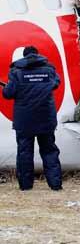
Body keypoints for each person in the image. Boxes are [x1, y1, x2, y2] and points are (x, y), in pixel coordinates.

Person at [2, 46, 62, 191]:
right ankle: (55, 185)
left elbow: (8, 94)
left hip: (24, 120)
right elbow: (55, 84)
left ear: (24, 56)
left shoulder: (16, 72)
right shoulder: (49, 70)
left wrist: (8, 87)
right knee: (49, 150)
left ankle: (26, 186)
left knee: (25, 152)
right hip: (46, 118)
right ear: (37, 54)